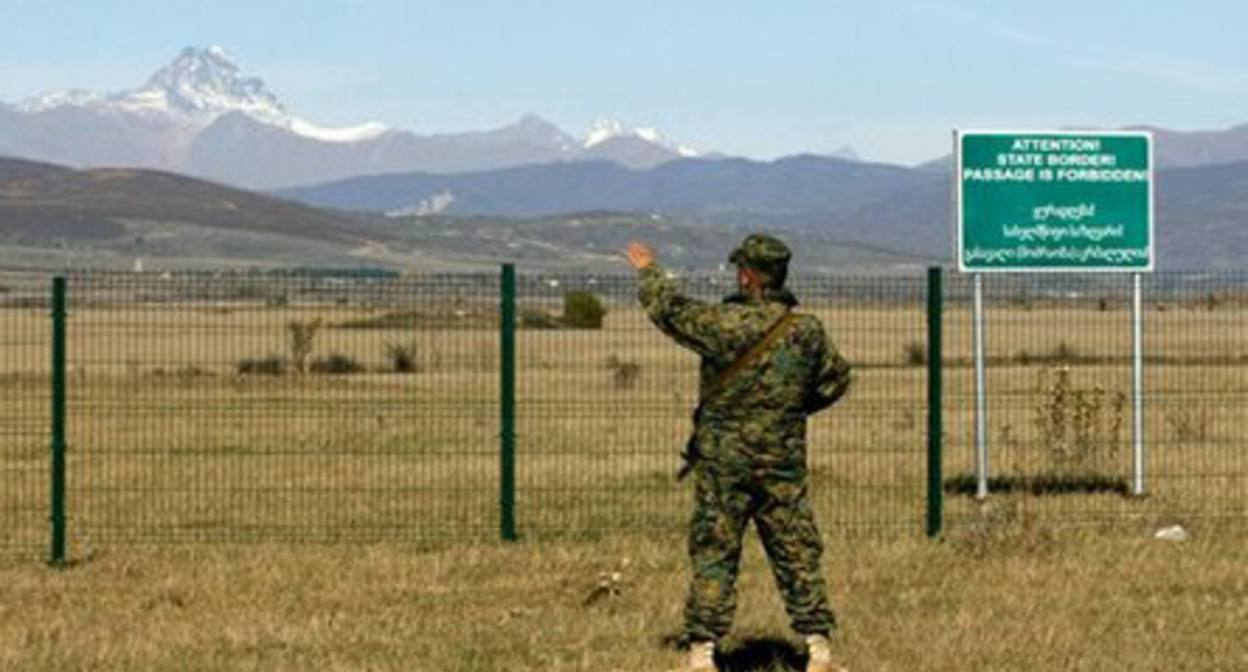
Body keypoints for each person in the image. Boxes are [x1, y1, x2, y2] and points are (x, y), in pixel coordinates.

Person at [627, 235, 853, 672]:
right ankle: (819, 650)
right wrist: (790, 409)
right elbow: (836, 381)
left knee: (715, 549)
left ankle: (702, 654)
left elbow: (672, 312)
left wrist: (648, 271)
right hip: (780, 462)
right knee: (796, 549)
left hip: (722, 464)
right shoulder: (806, 332)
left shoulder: (723, 324)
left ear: (746, 275)